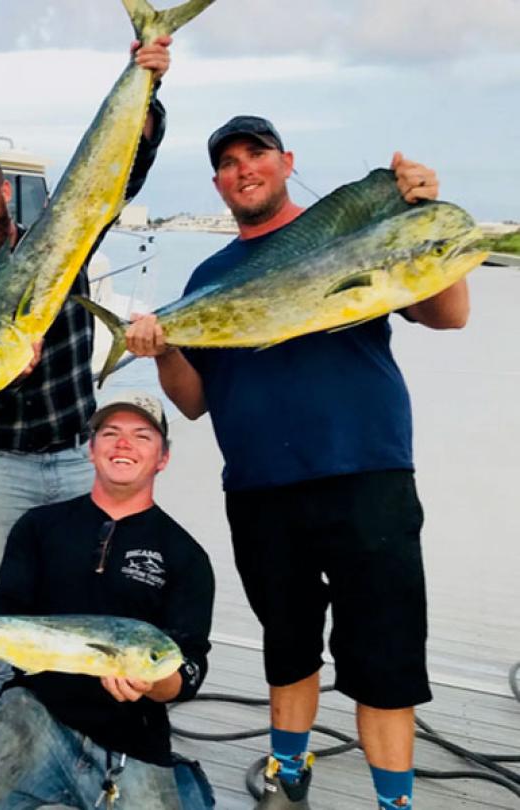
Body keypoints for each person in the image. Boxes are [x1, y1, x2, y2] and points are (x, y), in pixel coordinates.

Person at [124, 116, 467, 810]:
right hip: (259, 491)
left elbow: (449, 311)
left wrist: (423, 214)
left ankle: (393, 803)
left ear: (286, 162)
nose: (243, 169)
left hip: (366, 476)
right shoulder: (209, 276)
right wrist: (163, 348)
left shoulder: (349, 232)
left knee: (385, 656)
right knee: (288, 642)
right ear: (217, 182)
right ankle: (289, 768)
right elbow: (193, 403)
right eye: (227, 162)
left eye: (256, 154)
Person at [0, 38, 172, 732]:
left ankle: (91, 700)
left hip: (74, 454)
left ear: (3, 193)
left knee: (90, 584)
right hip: (2, 465)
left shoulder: (60, 247)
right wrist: (2, 381)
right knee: (6, 592)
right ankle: (8, 699)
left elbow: (115, 185)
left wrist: (145, 96)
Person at [0, 392, 215, 810]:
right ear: (90, 450)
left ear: (163, 458)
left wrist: (155, 684)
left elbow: (191, 664)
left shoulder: (186, 555)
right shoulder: (40, 526)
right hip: (36, 709)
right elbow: (8, 600)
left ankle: (176, 778)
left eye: (142, 436)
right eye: (110, 433)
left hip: (132, 732)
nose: (123, 444)